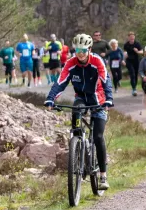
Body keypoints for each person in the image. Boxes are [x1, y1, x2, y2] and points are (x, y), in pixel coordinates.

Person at [44, 34, 113, 190]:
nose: (80, 53)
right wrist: (50, 99)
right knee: (76, 117)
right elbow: (60, 82)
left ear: (89, 49)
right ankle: (78, 146)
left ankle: (103, 176)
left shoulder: (97, 61)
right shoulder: (71, 63)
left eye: (83, 50)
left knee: (98, 136)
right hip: (81, 98)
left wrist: (109, 99)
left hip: (99, 100)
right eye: (77, 50)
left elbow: (105, 79)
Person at [123, 31, 143, 96]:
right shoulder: (126, 45)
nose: (132, 38)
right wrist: (124, 56)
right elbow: (124, 52)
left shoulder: (137, 44)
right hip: (129, 61)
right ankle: (134, 89)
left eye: (133, 36)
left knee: (136, 74)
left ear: (134, 37)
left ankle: (134, 87)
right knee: (132, 74)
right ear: (128, 38)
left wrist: (137, 51)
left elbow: (142, 52)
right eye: (130, 37)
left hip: (136, 61)